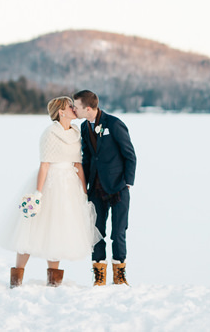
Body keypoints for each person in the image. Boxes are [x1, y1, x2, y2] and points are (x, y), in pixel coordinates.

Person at [0, 97, 101, 287]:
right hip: (51, 183)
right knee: (33, 229)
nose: (74, 109)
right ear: (61, 111)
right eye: (70, 107)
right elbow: (44, 165)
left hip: (69, 185)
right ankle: (17, 279)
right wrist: (38, 193)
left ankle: (54, 281)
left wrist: (84, 191)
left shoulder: (75, 132)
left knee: (58, 230)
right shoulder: (50, 133)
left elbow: (78, 165)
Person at [73, 89, 137, 286]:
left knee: (118, 233)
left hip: (118, 188)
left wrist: (127, 182)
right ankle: (99, 275)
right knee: (96, 232)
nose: (74, 110)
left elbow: (130, 155)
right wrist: (83, 185)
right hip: (96, 189)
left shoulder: (114, 124)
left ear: (88, 108)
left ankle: (120, 276)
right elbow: (88, 157)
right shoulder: (84, 127)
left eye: (76, 107)